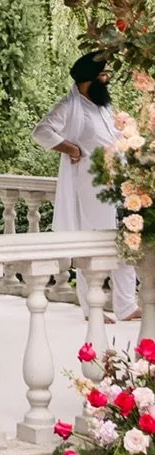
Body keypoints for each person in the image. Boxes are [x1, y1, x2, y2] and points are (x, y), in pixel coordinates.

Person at [33, 53, 136, 322]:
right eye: (104, 75)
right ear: (89, 79)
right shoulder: (69, 106)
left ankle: (126, 306)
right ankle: (92, 309)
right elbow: (41, 131)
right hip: (91, 189)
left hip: (118, 186)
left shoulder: (102, 106)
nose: (108, 79)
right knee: (93, 246)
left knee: (125, 241)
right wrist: (69, 147)